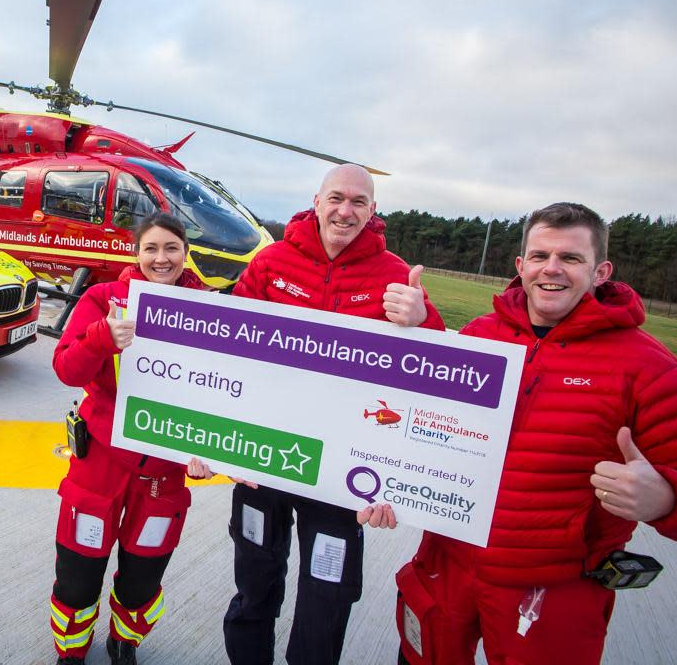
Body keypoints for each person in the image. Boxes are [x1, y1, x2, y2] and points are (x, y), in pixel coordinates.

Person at [392, 201, 677, 665]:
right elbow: (418, 429)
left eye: (571, 258)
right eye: (539, 256)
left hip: (549, 589)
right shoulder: (479, 336)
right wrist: (386, 481)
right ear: (520, 265)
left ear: (600, 271)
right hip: (447, 564)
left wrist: (668, 498)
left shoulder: (647, 368)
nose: (551, 269)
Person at [222, 163, 445, 665]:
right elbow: (229, 346)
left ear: (372, 213)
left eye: (359, 203)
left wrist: (423, 319)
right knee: (256, 578)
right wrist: (221, 441)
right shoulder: (272, 262)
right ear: (317, 201)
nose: (346, 211)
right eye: (337, 199)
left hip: (344, 469)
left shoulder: (394, 275)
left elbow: (435, 372)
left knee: (327, 592)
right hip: (266, 452)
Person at [48, 212, 213, 665]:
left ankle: (125, 642)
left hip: (163, 473)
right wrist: (102, 337)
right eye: (151, 249)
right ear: (136, 253)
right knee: (78, 575)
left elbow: (224, 397)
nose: (161, 258)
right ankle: (71, 651)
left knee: (142, 578)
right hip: (99, 465)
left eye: (171, 248)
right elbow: (65, 368)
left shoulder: (210, 310)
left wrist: (211, 451)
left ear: (185, 253)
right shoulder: (104, 299)